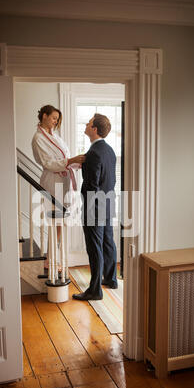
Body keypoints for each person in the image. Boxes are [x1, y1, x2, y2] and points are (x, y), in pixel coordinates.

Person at [31, 104, 85, 269]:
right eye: (54, 118)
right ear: (44, 116)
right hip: (52, 182)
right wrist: (71, 161)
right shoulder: (38, 138)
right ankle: (50, 259)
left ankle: (53, 256)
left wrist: (75, 163)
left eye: (57, 119)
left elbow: (65, 156)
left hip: (64, 182)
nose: (55, 121)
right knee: (54, 221)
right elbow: (48, 163)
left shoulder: (55, 136)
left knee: (61, 222)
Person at [73, 114, 118, 301]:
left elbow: (91, 185)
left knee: (95, 247)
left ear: (94, 129)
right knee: (108, 242)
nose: (86, 123)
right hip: (108, 202)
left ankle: (94, 290)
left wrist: (82, 199)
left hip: (94, 205)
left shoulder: (93, 153)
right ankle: (111, 279)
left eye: (89, 122)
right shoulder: (109, 151)